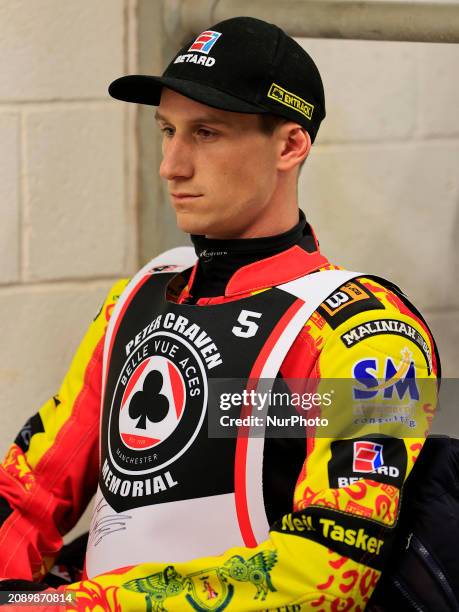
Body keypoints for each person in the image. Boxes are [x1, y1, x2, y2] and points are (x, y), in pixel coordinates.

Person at [0, 16, 439, 611]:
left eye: (205, 133)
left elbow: (330, 573)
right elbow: (29, 496)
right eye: (167, 130)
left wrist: (75, 604)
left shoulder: (366, 334)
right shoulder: (135, 299)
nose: (171, 165)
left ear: (290, 145)